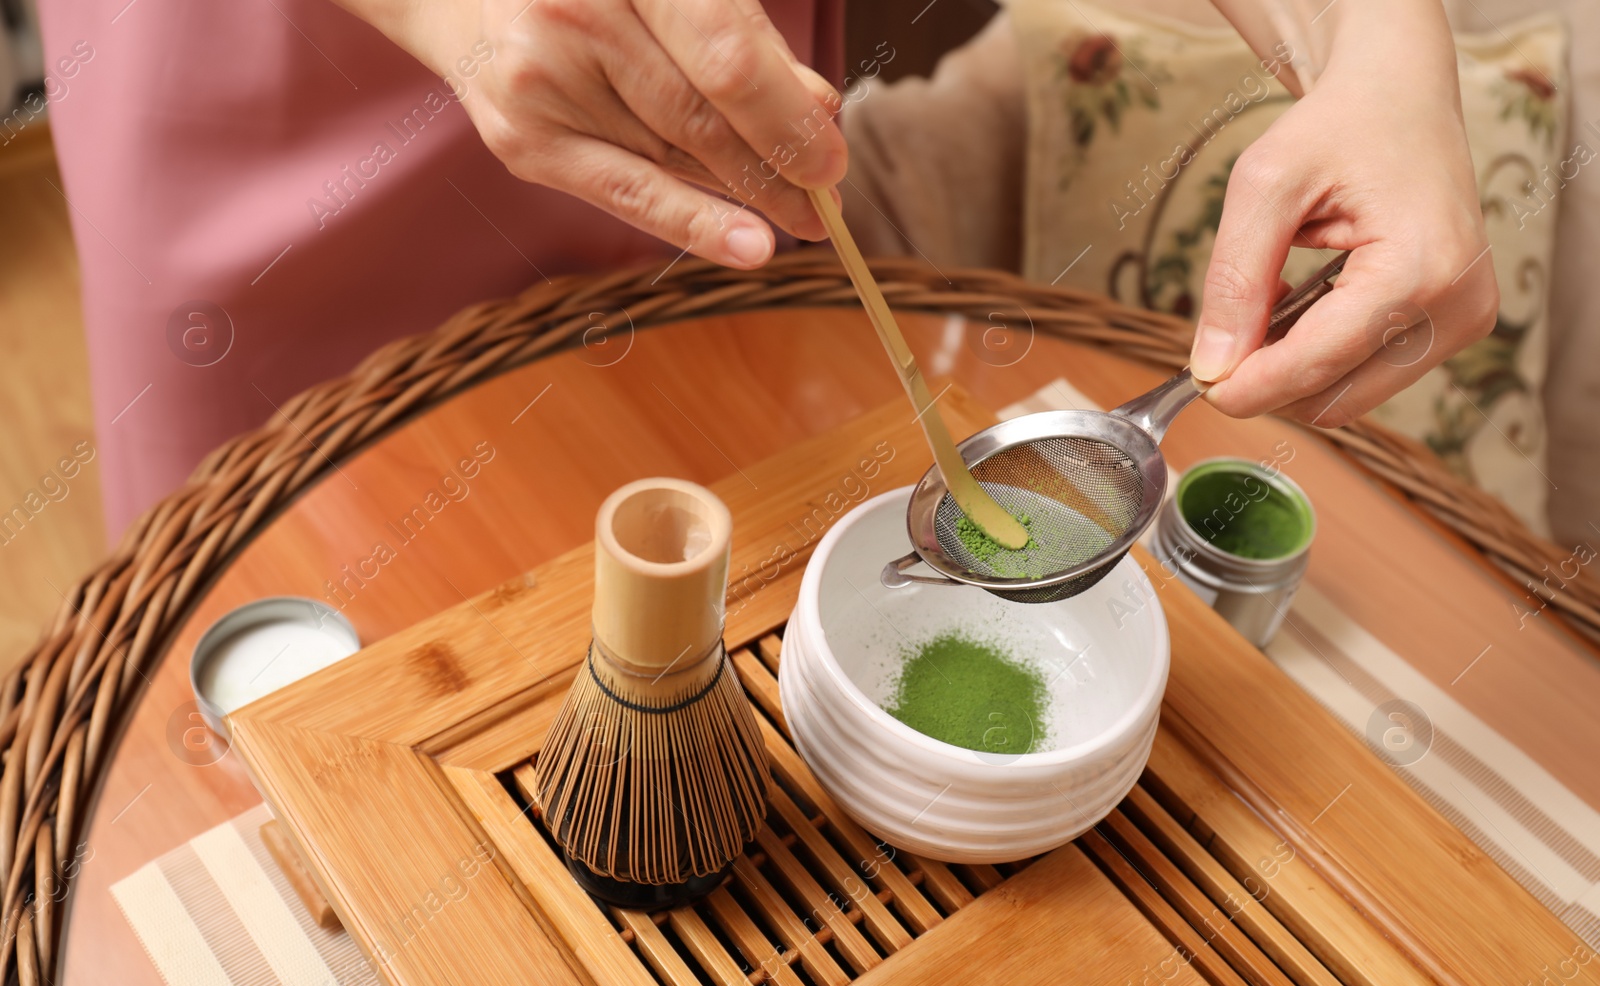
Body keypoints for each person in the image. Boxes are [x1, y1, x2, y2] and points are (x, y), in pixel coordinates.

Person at [39, 0, 1493, 536]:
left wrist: (1378, 45)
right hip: (294, 101)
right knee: (296, 591)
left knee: (700, 485)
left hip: (724, 79)